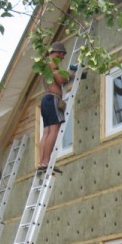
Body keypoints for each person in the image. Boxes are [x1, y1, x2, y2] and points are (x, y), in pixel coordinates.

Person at [37, 41, 74, 172]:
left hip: (45, 100)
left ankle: (41, 162)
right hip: (53, 99)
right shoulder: (52, 64)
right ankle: (46, 161)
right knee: (54, 130)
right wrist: (69, 74)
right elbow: (60, 80)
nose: (63, 57)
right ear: (57, 52)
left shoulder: (45, 65)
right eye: (62, 54)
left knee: (46, 132)